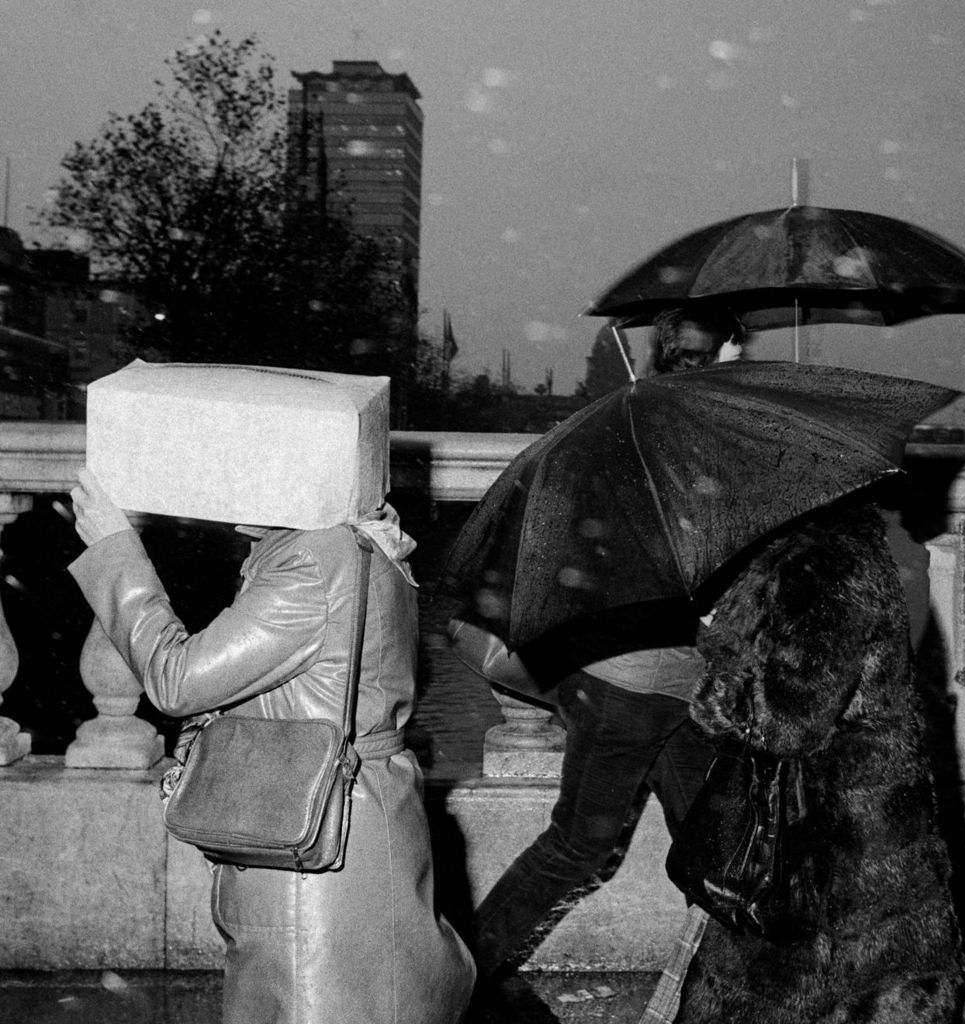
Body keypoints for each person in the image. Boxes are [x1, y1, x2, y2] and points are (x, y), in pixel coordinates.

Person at [68, 468, 475, 1024]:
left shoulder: (310, 561)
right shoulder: (351, 537)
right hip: (352, 821)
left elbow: (177, 679)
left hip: (313, 856)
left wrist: (116, 550)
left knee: (312, 1003)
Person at [468, 308, 740, 981]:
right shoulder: (678, 442)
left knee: (719, 854)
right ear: (715, 353)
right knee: (576, 850)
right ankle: (459, 974)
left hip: (669, 684)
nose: (744, 358)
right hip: (630, 684)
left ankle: (744, 987)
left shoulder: (643, 429)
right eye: (737, 347)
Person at [669, 498, 965, 1024]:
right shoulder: (865, 548)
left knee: (794, 987)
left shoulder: (821, 560)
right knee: (884, 983)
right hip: (871, 821)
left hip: (818, 837)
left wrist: (721, 676)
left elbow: (787, 722)